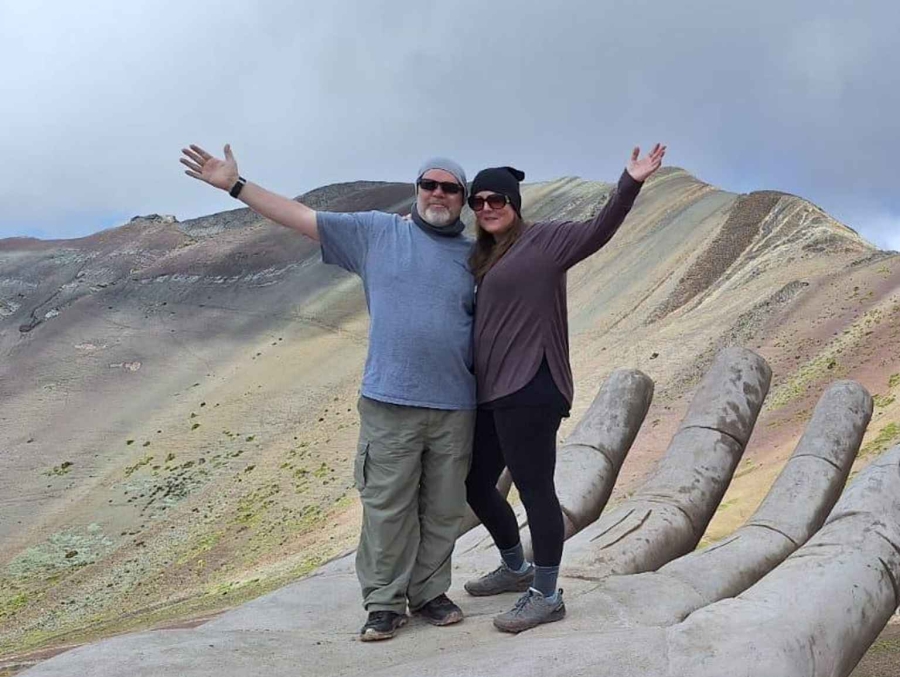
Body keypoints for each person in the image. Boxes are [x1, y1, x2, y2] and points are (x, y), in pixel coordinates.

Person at [179, 143, 477, 642]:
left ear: (463, 199)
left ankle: (429, 593)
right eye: (430, 184)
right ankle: (384, 602)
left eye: (450, 188)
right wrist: (235, 184)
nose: (438, 195)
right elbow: (301, 217)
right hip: (390, 401)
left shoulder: (475, 255)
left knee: (444, 508)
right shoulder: (377, 233)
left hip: (455, 405)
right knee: (387, 506)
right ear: (417, 189)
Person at [463, 144, 667, 633]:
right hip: (492, 393)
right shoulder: (483, 257)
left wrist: (630, 182)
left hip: (533, 385)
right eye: (479, 200)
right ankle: (516, 569)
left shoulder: (545, 242)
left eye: (499, 199)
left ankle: (547, 594)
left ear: (515, 203)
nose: (489, 207)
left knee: (536, 491)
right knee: (474, 483)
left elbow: (600, 229)